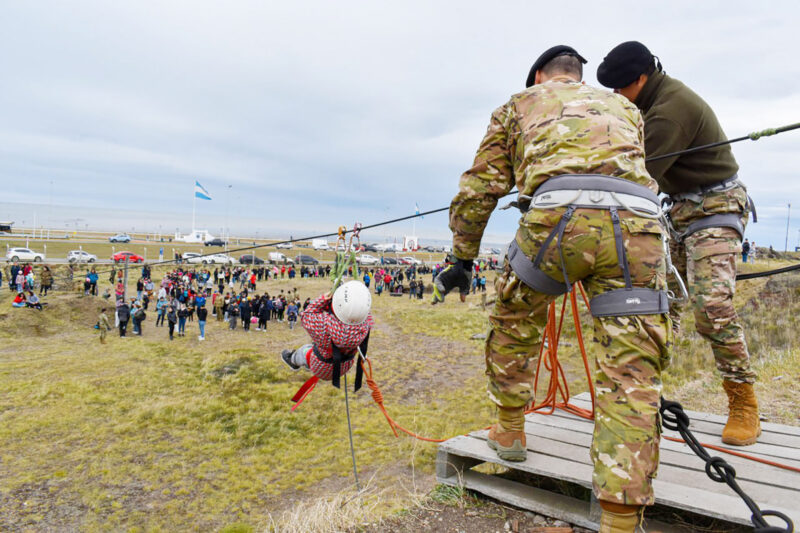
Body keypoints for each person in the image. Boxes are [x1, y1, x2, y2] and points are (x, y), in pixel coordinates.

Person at [438, 45, 671, 532]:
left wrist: (462, 257)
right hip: (639, 229)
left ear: (540, 76)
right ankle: (620, 519)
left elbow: (480, 187)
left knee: (514, 317)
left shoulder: (518, 103)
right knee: (631, 370)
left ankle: (509, 429)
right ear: (578, 75)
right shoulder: (625, 107)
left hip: (558, 222)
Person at [597, 41, 759, 447]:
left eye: (620, 88)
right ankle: (643, 395)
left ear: (640, 79)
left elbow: (636, 175)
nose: (617, 96)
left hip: (715, 208)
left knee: (712, 306)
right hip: (680, 212)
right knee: (658, 304)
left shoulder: (669, 110)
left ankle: (744, 402)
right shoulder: (647, 104)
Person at [281, 281, 373, 401]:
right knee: (316, 348)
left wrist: (325, 299)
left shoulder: (324, 325)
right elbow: (357, 309)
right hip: (345, 365)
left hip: (321, 367)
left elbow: (307, 314)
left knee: (305, 350)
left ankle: (292, 360)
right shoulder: (365, 325)